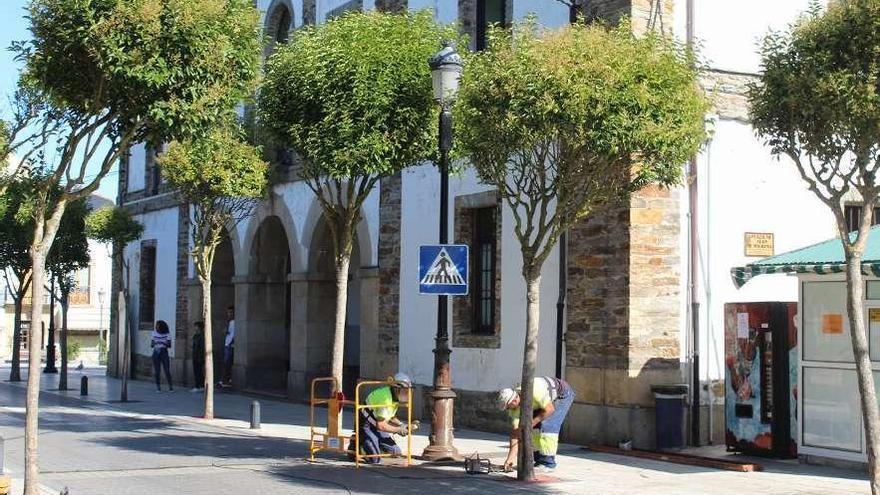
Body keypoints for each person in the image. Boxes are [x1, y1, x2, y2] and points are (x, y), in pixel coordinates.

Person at [497, 376, 575, 471]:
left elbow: (549, 409)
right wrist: (509, 460)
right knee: (534, 428)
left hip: (562, 394)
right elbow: (515, 434)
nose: (509, 409)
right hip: (541, 401)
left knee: (548, 426)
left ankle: (548, 463)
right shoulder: (514, 408)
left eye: (508, 406)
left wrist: (531, 423)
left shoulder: (534, 392)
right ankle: (539, 460)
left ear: (514, 400)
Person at [349, 372, 413, 463]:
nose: (406, 394)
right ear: (396, 389)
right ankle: (356, 443)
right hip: (365, 425)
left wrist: (402, 425)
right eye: (404, 391)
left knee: (396, 452)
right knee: (375, 459)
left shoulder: (394, 397)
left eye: (407, 391)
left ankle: (373, 443)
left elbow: (391, 417)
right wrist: (399, 430)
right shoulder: (385, 399)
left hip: (376, 423)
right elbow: (381, 425)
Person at [151, 320, 173, 392]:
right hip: (156, 352)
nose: (156, 327)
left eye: (158, 325)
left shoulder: (167, 334)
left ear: (162, 327)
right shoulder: (154, 333)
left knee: (167, 370)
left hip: (164, 352)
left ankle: (170, 386)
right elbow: (151, 345)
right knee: (157, 371)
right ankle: (158, 387)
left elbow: (169, 345)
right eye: (156, 325)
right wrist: (155, 343)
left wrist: (162, 343)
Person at [218, 306, 235, 388]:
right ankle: (224, 380)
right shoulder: (229, 322)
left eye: (231, 312)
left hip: (230, 345)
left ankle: (225, 380)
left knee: (227, 363)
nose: (229, 314)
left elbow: (234, 334)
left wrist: (232, 343)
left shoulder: (234, 322)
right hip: (227, 344)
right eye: (228, 312)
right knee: (225, 363)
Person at [190, 321, 206, 392]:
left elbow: (202, 347)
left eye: (196, 326)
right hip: (195, 355)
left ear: (199, 327)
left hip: (199, 356)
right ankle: (199, 385)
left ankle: (199, 386)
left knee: (199, 372)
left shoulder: (202, 336)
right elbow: (193, 345)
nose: (195, 328)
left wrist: (201, 357)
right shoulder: (195, 335)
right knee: (196, 371)